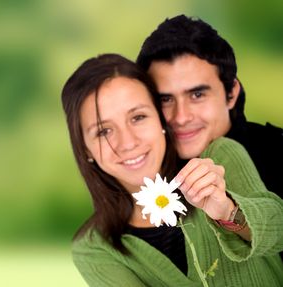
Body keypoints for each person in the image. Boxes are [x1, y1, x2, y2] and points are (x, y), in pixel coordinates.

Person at [61, 53, 283, 286]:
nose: (128, 143)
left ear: (160, 120)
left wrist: (228, 211)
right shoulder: (94, 249)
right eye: (103, 131)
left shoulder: (219, 157)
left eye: (138, 117)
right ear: (85, 149)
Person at [136, 14, 283, 198]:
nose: (181, 117)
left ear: (231, 94)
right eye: (165, 99)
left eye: (197, 95)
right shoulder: (139, 170)